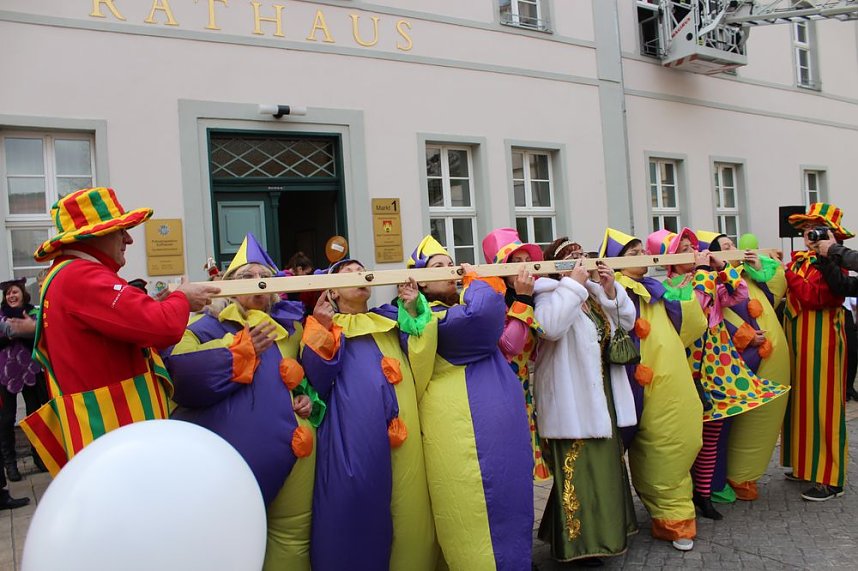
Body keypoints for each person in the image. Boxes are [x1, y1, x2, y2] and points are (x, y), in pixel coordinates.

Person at [19, 187, 219, 475]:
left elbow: (128, 322)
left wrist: (162, 304)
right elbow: (161, 327)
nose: (129, 238)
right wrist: (182, 298)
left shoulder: (68, 275)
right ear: (93, 235)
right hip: (117, 430)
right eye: (120, 230)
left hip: (108, 430)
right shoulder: (82, 277)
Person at [164, 233, 323, 569]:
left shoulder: (290, 329)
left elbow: (302, 382)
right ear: (225, 286)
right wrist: (239, 351)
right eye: (246, 277)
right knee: (231, 545)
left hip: (297, 460)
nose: (257, 282)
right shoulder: (201, 328)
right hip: (232, 468)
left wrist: (302, 401)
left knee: (292, 543)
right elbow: (183, 378)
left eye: (263, 276)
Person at [301, 257, 438, 570]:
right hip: (352, 433)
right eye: (348, 272)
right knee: (355, 503)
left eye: (361, 270)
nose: (358, 274)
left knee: (407, 506)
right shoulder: (325, 325)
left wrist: (413, 305)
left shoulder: (388, 318)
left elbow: (421, 347)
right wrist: (322, 328)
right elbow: (315, 378)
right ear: (332, 292)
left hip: (402, 438)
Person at [408, 235, 533, 570]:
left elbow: (509, 345)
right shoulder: (440, 317)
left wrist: (522, 301)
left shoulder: (457, 307)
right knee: (475, 506)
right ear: (420, 283)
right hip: (463, 429)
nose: (449, 270)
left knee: (511, 497)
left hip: (501, 422)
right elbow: (483, 313)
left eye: (450, 263)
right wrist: (476, 278)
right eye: (438, 266)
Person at [648, 228, 787, 520]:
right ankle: (684, 493)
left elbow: (739, 294)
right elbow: (694, 313)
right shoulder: (668, 287)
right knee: (688, 438)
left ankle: (704, 493)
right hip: (689, 369)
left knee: (712, 435)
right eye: (684, 248)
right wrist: (701, 272)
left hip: (720, 368)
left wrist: (722, 269)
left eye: (692, 246)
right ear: (671, 259)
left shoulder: (707, 278)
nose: (692, 251)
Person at [599, 228, 706, 552]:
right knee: (610, 457)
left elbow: (692, 326)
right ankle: (608, 525)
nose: (640, 256)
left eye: (640, 250)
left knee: (674, 442)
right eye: (631, 253)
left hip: (666, 386)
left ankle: (675, 520)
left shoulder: (657, 291)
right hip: (624, 384)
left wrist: (692, 283)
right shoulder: (609, 291)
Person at [533, 236, 639, 565]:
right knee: (578, 473)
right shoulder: (549, 295)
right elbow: (549, 328)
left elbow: (626, 324)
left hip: (602, 395)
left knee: (605, 469)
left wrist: (609, 291)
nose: (581, 261)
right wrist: (573, 286)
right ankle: (578, 545)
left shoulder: (592, 294)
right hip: (573, 398)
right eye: (572, 257)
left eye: (583, 255)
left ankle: (608, 532)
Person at [697, 231, 790, 502]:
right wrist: (745, 336)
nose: (732, 249)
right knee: (719, 426)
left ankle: (742, 475)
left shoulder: (743, 275)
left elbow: (772, 290)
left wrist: (761, 265)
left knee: (754, 425)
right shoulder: (711, 282)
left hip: (757, 362)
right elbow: (713, 315)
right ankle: (712, 484)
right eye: (725, 246)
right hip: (727, 364)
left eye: (732, 244)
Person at [783, 203, 857, 501]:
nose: (808, 234)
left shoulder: (833, 261)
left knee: (824, 405)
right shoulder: (802, 259)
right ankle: (807, 464)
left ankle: (830, 478)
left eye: (815, 227)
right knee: (802, 401)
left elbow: (817, 296)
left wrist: (786, 273)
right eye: (805, 228)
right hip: (801, 338)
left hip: (823, 336)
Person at [481, 227, 550, 481]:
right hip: (502, 390)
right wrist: (523, 297)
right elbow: (510, 346)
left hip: (524, 391)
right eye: (516, 262)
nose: (524, 268)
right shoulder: (493, 299)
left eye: (526, 261)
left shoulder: (528, 296)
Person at [0, 279, 50, 481]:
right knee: (6, 419)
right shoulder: (1, 316)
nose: (11, 296)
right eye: (8, 294)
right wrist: (15, 333)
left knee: (35, 413)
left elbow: (42, 336)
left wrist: (26, 330)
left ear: (22, 294)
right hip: (5, 374)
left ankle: (39, 456)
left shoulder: (34, 313)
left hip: (31, 370)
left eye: (15, 292)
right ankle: (10, 465)